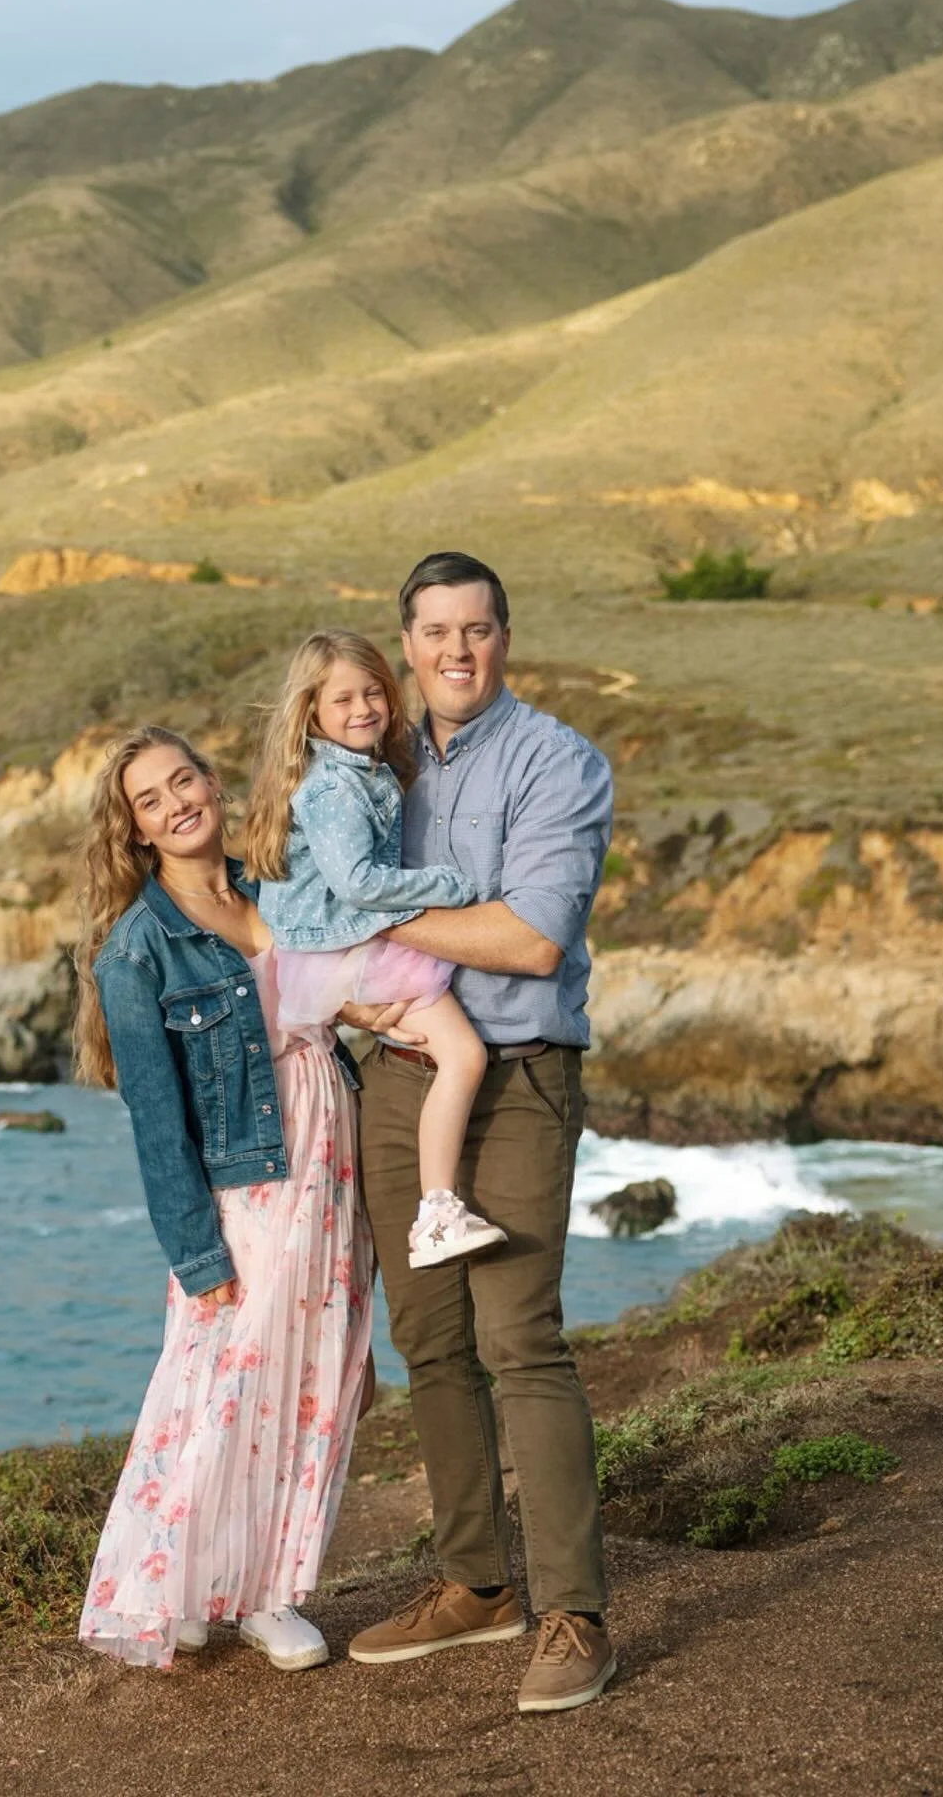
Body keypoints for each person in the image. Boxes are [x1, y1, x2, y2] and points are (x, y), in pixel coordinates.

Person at [342, 551, 618, 1715]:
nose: (457, 651)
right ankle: (473, 1584)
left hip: (516, 1080)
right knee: (430, 1343)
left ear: (506, 639)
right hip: (397, 1080)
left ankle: (574, 1614)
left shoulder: (559, 762)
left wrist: (386, 920)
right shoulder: (377, 765)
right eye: (436, 631)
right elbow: (323, 897)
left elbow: (533, 940)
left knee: (519, 1338)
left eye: (478, 630)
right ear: (405, 644)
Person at [74, 725, 373, 1673]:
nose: (176, 804)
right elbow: (156, 1126)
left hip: (332, 1154)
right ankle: (197, 1584)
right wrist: (196, 1255)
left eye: (183, 780)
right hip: (246, 1186)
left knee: (318, 1380)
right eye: (150, 801)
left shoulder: (275, 882)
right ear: (135, 832)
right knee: (223, 1386)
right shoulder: (136, 953)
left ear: (211, 781)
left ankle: (266, 1586)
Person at [242, 629, 507, 1270]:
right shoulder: (333, 790)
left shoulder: (358, 771)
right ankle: (437, 1213)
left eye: (373, 694)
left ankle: (436, 1204)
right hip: (344, 948)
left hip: (340, 944)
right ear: (312, 712)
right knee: (465, 1055)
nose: (362, 710)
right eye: (343, 701)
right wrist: (449, 885)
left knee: (449, 1054)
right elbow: (357, 883)